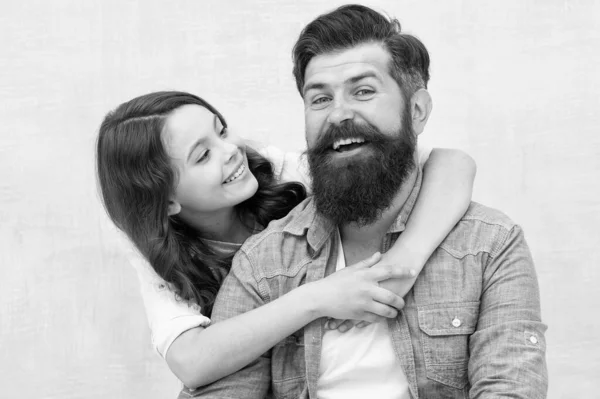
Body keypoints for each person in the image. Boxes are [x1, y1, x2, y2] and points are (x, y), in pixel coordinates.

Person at [184, 4, 548, 399]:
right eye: (319, 99)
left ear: (418, 110)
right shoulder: (264, 263)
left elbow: (510, 387)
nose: (340, 114)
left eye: (363, 91)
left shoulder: (490, 247)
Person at [97, 90, 475, 390]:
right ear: (167, 201)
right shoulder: (155, 250)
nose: (231, 151)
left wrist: (404, 263)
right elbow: (191, 363)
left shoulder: (279, 173)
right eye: (204, 155)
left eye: (222, 130)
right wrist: (317, 299)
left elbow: (451, 163)